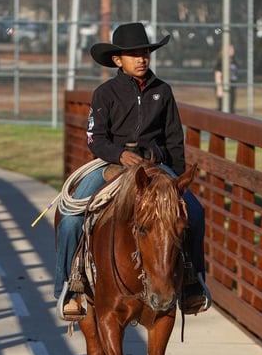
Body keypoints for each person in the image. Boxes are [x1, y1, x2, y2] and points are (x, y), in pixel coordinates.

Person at [54, 22, 211, 321]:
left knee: (195, 213)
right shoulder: (105, 93)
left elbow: (174, 139)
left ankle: (192, 281)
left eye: (145, 53)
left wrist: (176, 182)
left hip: (155, 165)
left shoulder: (162, 92)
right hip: (111, 165)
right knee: (72, 218)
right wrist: (119, 154)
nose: (142, 59)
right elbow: (94, 138)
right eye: (134, 54)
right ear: (117, 60)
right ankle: (69, 286)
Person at [214, 43, 238, 112]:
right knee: (223, 107)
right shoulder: (221, 61)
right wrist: (219, 88)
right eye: (230, 49)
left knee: (231, 107)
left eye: (233, 49)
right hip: (223, 87)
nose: (232, 50)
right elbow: (218, 75)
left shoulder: (233, 60)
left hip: (232, 86)